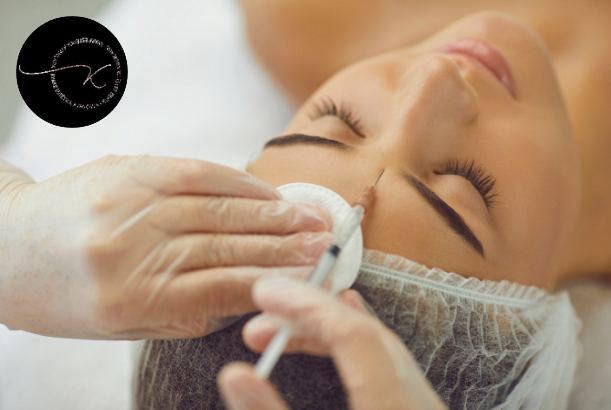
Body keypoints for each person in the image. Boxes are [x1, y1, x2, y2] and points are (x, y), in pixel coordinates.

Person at [134, 7, 610, 410]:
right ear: (535, 338)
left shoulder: (302, 19)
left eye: (337, 120)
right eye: (465, 185)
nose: (434, 74)